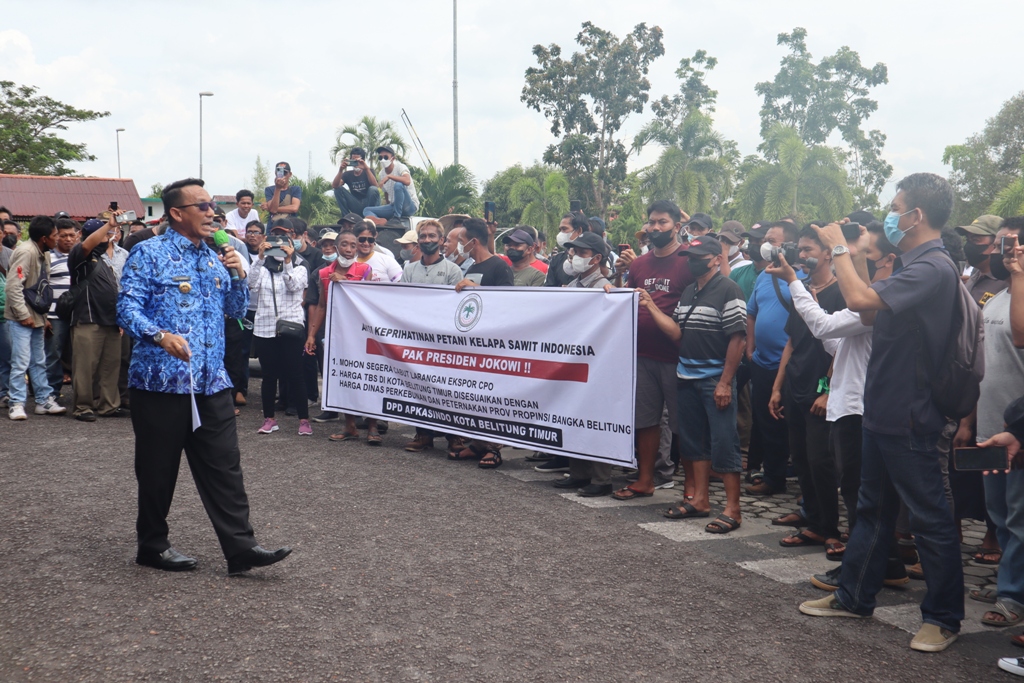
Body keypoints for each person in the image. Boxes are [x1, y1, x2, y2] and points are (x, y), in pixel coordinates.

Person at [799, 172, 964, 653]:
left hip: (912, 413)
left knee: (930, 517)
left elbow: (858, 300)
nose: (888, 216)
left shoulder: (933, 266)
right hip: (882, 409)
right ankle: (854, 596)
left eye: (896, 207)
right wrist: (861, 254)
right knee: (871, 509)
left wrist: (840, 251)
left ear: (915, 216)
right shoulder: (911, 265)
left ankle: (944, 618)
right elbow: (869, 314)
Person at [117, 177, 290, 575]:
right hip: (163, 382)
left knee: (224, 465)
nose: (212, 212)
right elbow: (127, 309)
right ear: (177, 213)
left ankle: (241, 548)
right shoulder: (148, 253)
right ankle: (152, 546)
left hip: (212, 383)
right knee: (158, 469)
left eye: (212, 205)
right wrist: (160, 336)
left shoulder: (215, 256)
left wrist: (237, 274)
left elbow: (233, 310)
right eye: (203, 205)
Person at [650, 235, 746, 532]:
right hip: (686, 376)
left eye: (699, 257)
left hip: (713, 379)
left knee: (723, 442)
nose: (693, 262)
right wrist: (651, 307)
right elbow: (677, 332)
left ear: (717, 258)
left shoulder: (729, 289)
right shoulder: (690, 290)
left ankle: (733, 508)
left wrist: (725, 382)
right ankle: (700, 500)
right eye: (689, 257)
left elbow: (738, 337)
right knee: (694, 443)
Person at [604, 200, 694, 497]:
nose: (656, 228)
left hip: (678, 356)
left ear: (677, 227)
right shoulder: (639, 264)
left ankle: (693, 489)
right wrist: (613, 289)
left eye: (663, 222)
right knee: (645, 420)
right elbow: (629, 299)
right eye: (652, 222)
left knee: (684, 425)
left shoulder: (688, 260)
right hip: (641, 354)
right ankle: (645, 479)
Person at [770, 225, 845, 557]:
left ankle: (828, 527)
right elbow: (791, 342)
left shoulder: (843, 292)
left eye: (809, 249)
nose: (802, 255)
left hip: (821, 388)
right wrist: (777, 387)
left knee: (820, 460)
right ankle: (811, 515)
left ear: (828, 253)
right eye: (799, 249)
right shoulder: (800, 290)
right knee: (800, 457)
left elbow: (842, 348)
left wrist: (827, 389)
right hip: (795, 385)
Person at [969, 216, 1024, 631]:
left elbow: (1020, 336)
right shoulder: (997, 296)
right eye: (1001, 245)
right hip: (989, 426)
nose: (1002, 251)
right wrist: (969, 421)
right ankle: (1009, 581)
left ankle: (1013, 595)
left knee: (1018, 515)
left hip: (1018, 434)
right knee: (999, 513)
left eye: (1011, 244)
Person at [551, 232, 615, 496]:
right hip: (574, 361)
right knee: (574, 415)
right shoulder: (574, 284)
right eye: (574, 252)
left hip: (598, 365)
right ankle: (579, 472)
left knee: (597, 418)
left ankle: (601, 478)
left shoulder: (604, 287)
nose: (575, 257)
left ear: (597, 258)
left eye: (582, 253)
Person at [303, 227, 378, 443]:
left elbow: (366, 301)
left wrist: (343, 283)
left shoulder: (365, 270)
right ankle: (350, 426)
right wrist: (311, 335)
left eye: (353, 245)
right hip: (338, 334)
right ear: (336, 248)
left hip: (362, 335)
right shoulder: (324, 274)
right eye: (344, 245)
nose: (349, 249)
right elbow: (321, 306)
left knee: (367, 378)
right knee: (344, 379)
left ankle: (372, 426)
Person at [398, 219, 464, 453]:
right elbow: (401, 302)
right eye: (423, 236)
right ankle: (423, 434)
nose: (427, 240)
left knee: (447, 389)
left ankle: (454, 437)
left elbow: (456, 309)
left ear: (442, 241)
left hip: (443, 341)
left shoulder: (453, 271)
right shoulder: (409, 270)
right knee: (419, 387)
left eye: (432, 236)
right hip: (416, 340)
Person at [744, 221, 799, 497]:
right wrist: (751, 347)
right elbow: (751, 312)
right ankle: (773, 476)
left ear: (789, 245)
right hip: (763, 362)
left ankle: (800, 479)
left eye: (772, 240)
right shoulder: (765, 274)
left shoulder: (804, 275)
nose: (765, 244)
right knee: (766, 421)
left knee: (794, 423)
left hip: (792, 366)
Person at [248, 233, 312, 436]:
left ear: (292, 247)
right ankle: (269, 419)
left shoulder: (300, 267)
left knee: (295, 375)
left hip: (290, 328)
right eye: (275, 245)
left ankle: (304, 420)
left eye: (284, 245)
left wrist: (288, 261)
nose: (279, 249)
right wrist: (259, 258)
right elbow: (251, 284)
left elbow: (293, 284)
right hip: (264, 328)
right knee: (268, 377)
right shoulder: (263, 268)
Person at [5, 215, 66, 420]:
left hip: (37, 316)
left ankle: (43, 400)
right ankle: (16, 403)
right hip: (21, 317)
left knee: (39, 360)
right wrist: (23, 316)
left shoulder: (44, 252)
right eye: (55, 235)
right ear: (43, 238)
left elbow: (41, 289)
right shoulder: (26, 252)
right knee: (21, 361)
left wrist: (43, 317)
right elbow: (13, 287)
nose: (57, 238)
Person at [67, 216, 127, 421]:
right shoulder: (79, 256)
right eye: (106, 234)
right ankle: (82, 407)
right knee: (85, 366)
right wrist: (108, 225)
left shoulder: (104, 261)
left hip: (110, 321)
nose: (109, 238)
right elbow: (87, 244)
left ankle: (109, 405)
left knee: (111, 366)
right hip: (88, 319)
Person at [45, 218, 78, 398]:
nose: (68, 239)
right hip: (54, 315)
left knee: (79, 356)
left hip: (78, 315)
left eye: (72, 235)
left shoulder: (82, 256)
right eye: (63, 235)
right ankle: (51, 394)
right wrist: (44, 317)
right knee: (53, 355)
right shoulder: (48, 258)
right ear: (56, 236)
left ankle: (80, 395)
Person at [455, 218, 514, 290]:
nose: (459, 245)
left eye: (461, 241)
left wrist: (476, 287)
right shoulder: (471, 269)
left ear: (473, 242)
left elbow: (506, 297)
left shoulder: (500, 267)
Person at [363, 146, 419, 224]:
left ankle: (397, 218)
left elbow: (407, 181)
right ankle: (381, 222)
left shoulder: (400, 167)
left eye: (386, 157)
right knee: (367, 210)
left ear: (393, 158)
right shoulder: (382, 173)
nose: (383, 160)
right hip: (394, 206)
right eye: (380, 158)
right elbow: (386, 193)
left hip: (409, 206)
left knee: (398, 185)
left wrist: (390, 176)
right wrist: (387, 208)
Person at [332, 147, 381, 217]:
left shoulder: (369, 171)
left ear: (363, 160)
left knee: (373, 189)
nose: (356, 163)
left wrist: (366, 169)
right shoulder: (347, 174)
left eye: (357, 161)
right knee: (338, 190)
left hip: (369, 203)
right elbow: (335, 186)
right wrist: (340, 170)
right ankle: (346, 218)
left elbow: (375, 186)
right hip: (356, 204)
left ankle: (370, 216)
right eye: (353, 161)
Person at [545, 212, 590, 288]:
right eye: (560, 229)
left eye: (564, 229)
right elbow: (548, 288)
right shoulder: (556, 260)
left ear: (579, 231)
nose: (561, 233)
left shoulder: (592, 259)